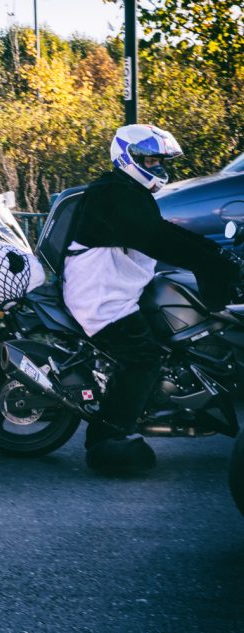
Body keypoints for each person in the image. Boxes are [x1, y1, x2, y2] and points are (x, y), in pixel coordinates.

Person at [63, 124, 239, 474]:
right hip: (101, 298)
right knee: (142, 358)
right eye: (151, 160)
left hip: (117, 288)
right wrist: (213, 261)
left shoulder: (122, 190)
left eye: (159, 161)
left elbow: (164, 233)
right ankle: (109, 433)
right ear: (129, 158)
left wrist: (217, 254)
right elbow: (157, 238)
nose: (158, 167)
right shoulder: (115, 194)